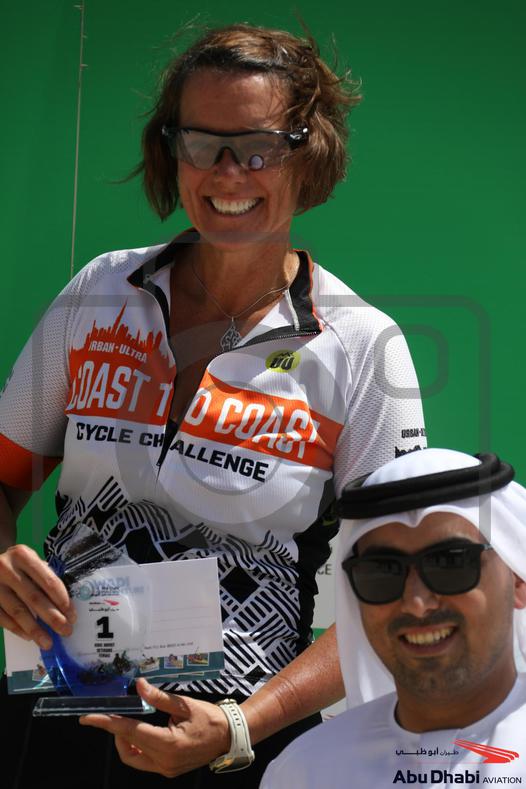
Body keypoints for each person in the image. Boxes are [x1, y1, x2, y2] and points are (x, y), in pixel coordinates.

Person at [0, 23, 426, 788]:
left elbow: (398, 591)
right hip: (58, 712)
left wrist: (239, 726)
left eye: (258, 147)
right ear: (172, 150)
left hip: (236, 740)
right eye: (202, 143)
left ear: (310, 155)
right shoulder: (101, 291)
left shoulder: (363, 344)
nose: (228, 172)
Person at [261, 448, 526, 788]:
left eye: (450, 563)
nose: (417, 604)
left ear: (518, 580)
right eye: (383, 571)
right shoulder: (306, 771)